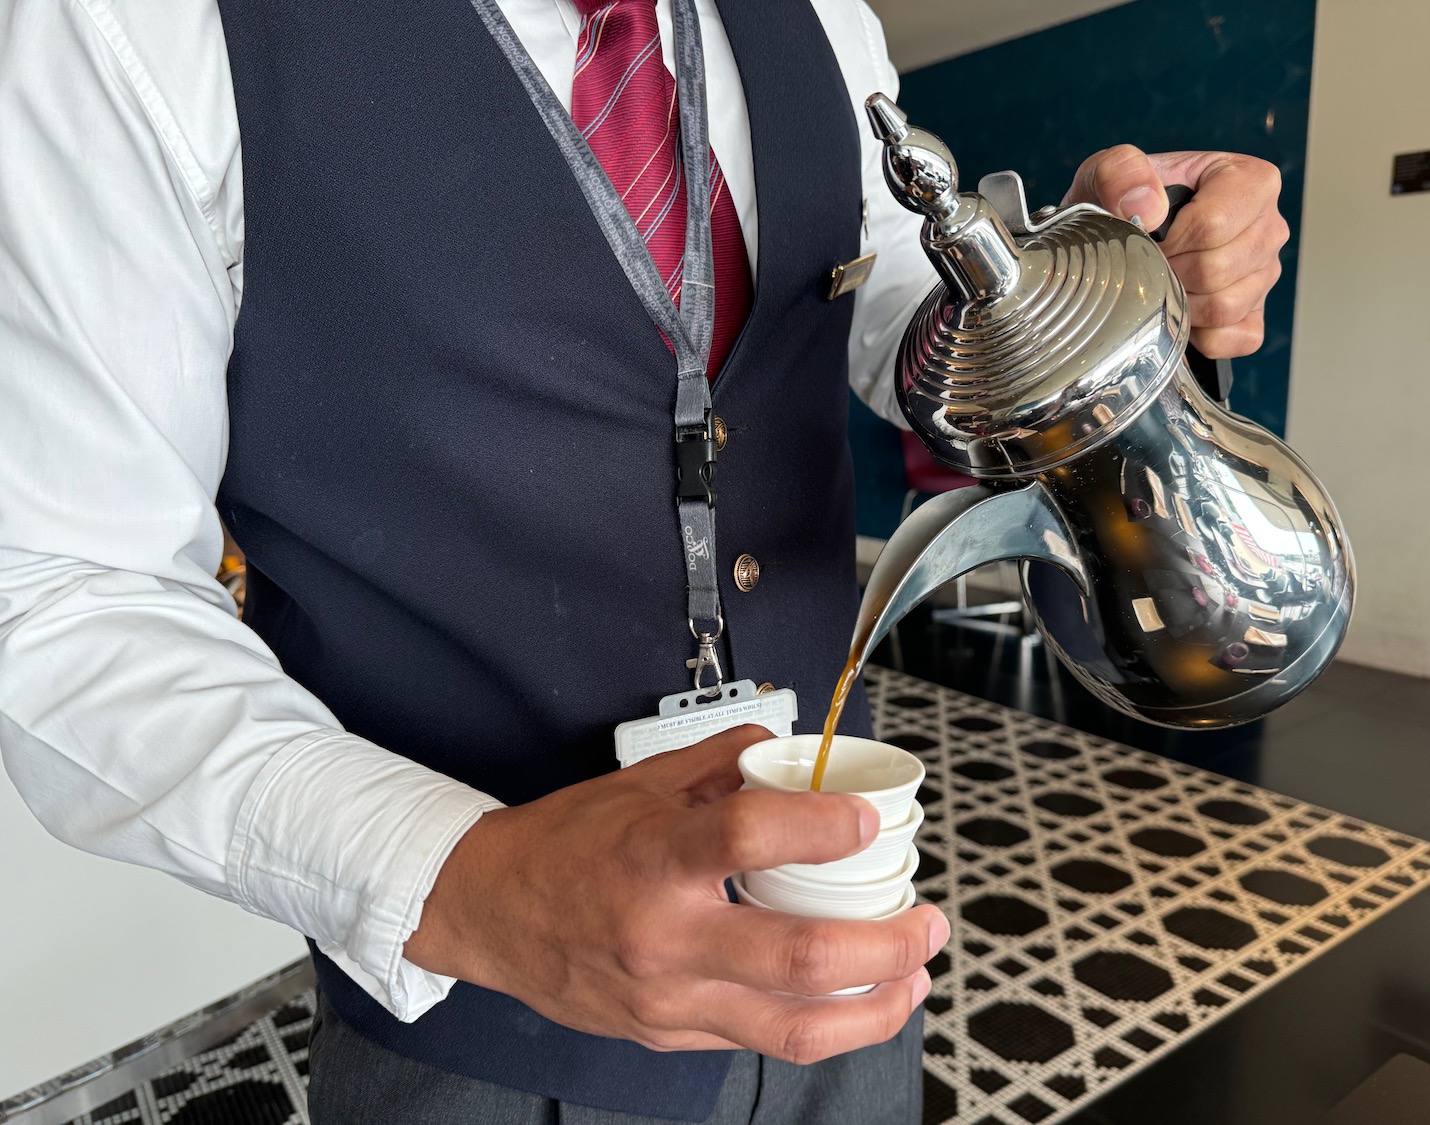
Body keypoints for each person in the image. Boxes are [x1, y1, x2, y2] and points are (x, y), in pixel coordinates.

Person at [0, 0, 1288, 1121]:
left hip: (846, 951)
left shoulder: (823, 21)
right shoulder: (137, 23)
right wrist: (462, 881)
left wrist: (1051, 302)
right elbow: (62, 582)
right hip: (476, 1026)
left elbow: (889, 301)